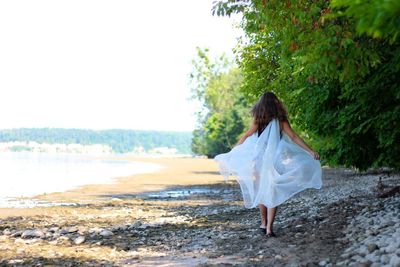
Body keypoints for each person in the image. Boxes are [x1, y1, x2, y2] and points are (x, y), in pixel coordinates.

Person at [214, 92, 322, 237]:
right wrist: (310, 151)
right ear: (276, 103)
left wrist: (234, 152)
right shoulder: (281, 120)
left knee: (261, 190)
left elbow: (246, 136)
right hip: (274, 161)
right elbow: (294, 137)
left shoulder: (258, 119)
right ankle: (270, 228)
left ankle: (263, 222)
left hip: (259, 161)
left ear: (262, 104)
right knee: (272, 191)